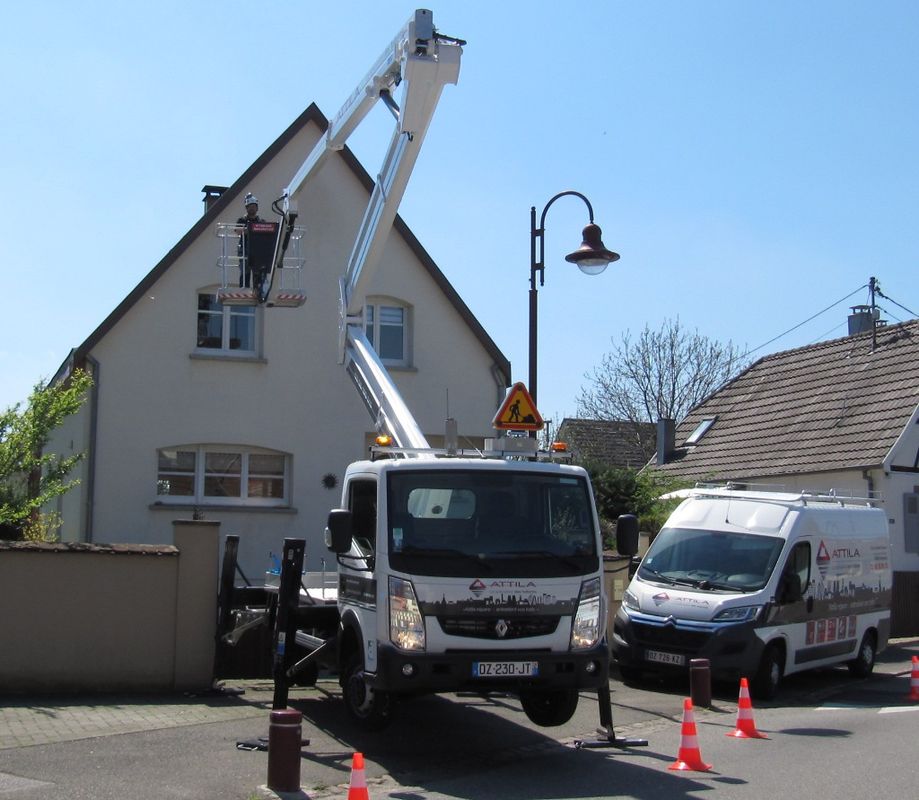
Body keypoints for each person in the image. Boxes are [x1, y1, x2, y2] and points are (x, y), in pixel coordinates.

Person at [237, 193, 263, 288]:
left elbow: (265, 231)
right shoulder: (241, 220)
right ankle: (244, 288)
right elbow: (237, 231)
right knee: (245, 271)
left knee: (258, 272)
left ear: (257, 208)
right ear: (246, 208)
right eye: (250, 207)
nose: (252, 208)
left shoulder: (261, 222)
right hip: (244, 249)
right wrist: (250, 230)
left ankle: (258, 290)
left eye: (253, 206)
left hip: (257, 250)